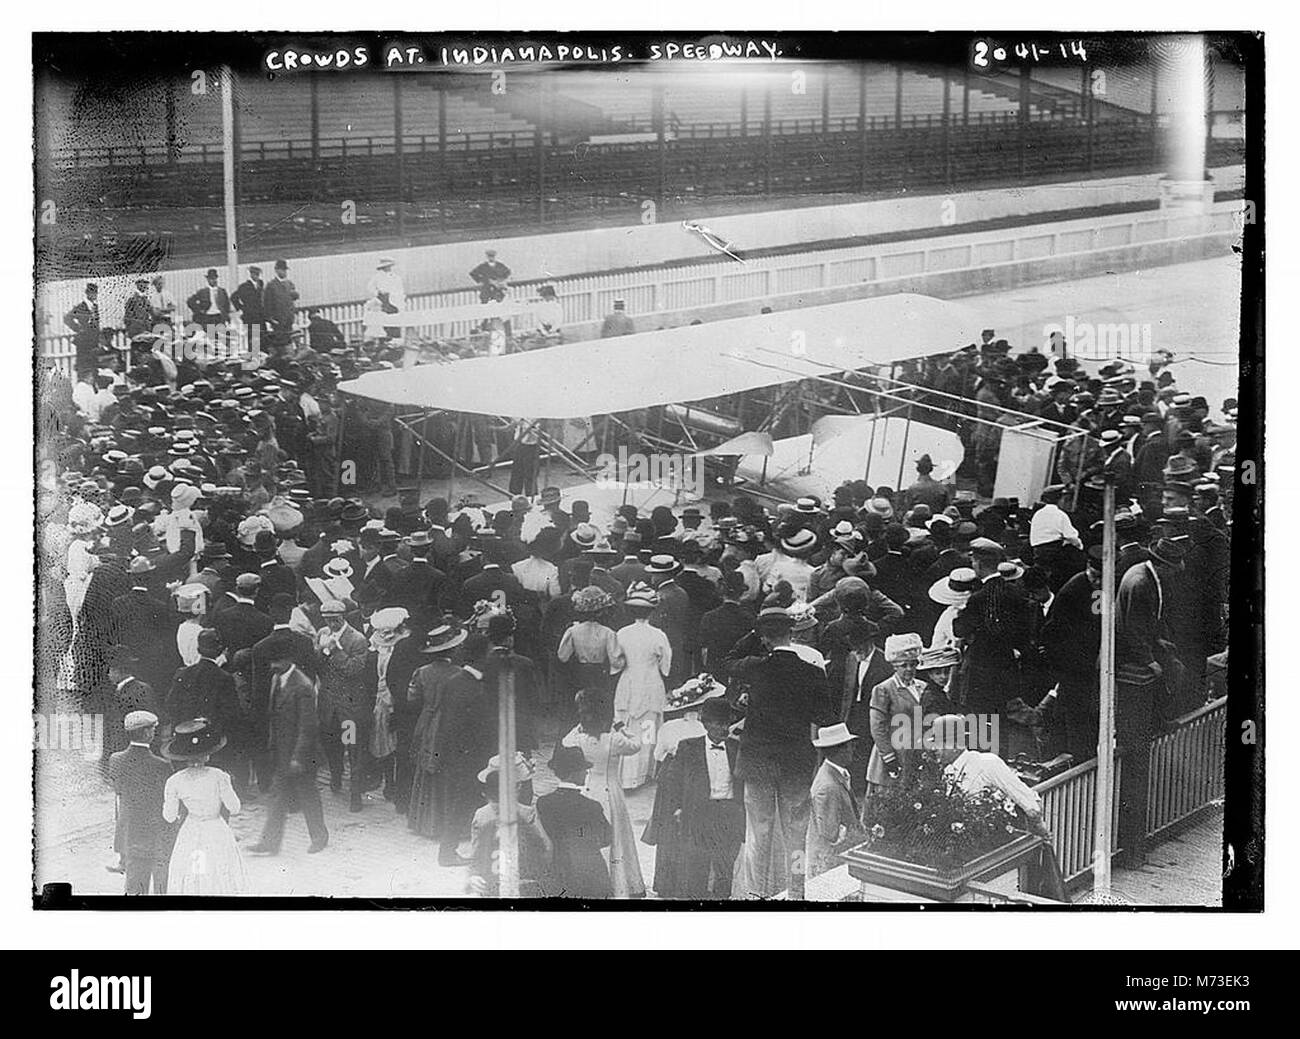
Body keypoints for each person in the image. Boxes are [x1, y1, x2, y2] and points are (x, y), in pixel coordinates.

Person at [730, 606, 837, 899]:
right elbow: (826, 717)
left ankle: (755, 893)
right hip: (796, 762)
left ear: (764, 638)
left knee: (759, 831)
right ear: (792, 633)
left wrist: (756, 633)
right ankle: (797, 892)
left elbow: (727, 660)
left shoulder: (755, 666)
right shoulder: (813, 673)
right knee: (797, 834)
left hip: (758, 762)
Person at [1115, 537, 1187, 867]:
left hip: (1139, 659)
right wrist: (1149, 660)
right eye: (1174, 568)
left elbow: (1144, 624)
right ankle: (1132, 851)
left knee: (1175, 666)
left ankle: (1160, 717)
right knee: (1137, 760)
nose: (1177, 573)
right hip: (1133, 671)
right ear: (1163, 565)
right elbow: (1132, 628)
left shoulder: (1142, 575)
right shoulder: (1142, 583)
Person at [655, 696, 745, 899]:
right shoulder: (688, 747)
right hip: (700, 812)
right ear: (706, 724)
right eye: (719, 724)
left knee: (725, 865)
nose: (725, 729)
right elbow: (673, 781)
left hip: (729, 812)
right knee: (697, 863)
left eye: (727, 723)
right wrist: (677, 808)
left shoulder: (736, 747)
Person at [560, 689, 645, 898]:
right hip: (611, 791)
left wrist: (580, 725)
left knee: (590, 838)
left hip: (588, 789)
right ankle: (620, 884)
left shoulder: (577, 739)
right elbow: (637, 744)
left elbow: (564, 741)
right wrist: (620, 726)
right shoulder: (615, 739)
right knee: (615, 836)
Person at [249, 646, 329, 855]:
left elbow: (308, 726)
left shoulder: (302, 685)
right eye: (272, 662)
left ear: (289, 659)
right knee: (277, 796)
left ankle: (319, 837)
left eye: (278, 661)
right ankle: (269, 843)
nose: (273, 666)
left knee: (307, 794)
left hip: (300, 754)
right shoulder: (278, 679)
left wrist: (297, 758)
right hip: (282, 752)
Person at [161, 718, 249, 894]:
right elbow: (235, 807)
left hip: (191, 830)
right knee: (219, 871)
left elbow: (169, 816)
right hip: (216, 829)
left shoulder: (174, 781)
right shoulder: (219, 776)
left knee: (193, 872)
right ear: (207, 754)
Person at [407, 622, 469, 837]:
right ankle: (446, 824)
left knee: (426, 769)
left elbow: (411, 698)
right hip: (451, 723)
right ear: (452, 649)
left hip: (427, 722)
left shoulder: (422, 672)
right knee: (448, 770)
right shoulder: (459, 673)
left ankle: (424, 823)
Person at [611, 583, 672, 789]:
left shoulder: (622, 633)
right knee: (648, 730)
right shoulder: (659, 635)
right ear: (651, 611)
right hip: (651, 684)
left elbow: (615, 663)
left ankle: (626, 776)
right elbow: (666, 666)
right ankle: (645, 773)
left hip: (628, 682)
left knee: (627, 726)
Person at [466, 753, 552, 897]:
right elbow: (545, 848)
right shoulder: (528, 813)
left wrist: (475, 874)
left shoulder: (481, 814)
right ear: (517, 786)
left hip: (492, 881)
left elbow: (477, 851)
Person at [107, 710, 174, 895]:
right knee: (161, 885)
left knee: (134, 886)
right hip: (156, 832)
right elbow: (166, 799)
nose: (154, 733)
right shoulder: (162, 765)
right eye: (153, 729)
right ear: (146, 733)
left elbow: (118, 790)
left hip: (130, 832)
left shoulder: (115, 759)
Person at [536, 744, 613, 898]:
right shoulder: (591, 806)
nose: (586, 772)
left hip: (559, 868)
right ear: (574, 773)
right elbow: (606, 839)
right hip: (591, 870)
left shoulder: (543, 802)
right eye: (583, 769)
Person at [864, 633, 927, 798]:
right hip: (893, 751)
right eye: (904, 665)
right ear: (895, 666)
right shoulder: (884, 689)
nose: (909, 669)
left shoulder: (922, 687)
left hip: (915, 750)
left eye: (913, 665)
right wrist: (888, 757)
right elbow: (877, 726)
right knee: (889, 797)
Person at [805, 723, 866, 882]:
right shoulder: (828, 786)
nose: (852, 750)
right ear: (839, 750)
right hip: (828, 867)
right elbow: (830, 834)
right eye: (849, 747)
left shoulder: (835, 774)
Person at [63, 282, 101, 375]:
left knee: (94, 364)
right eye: (91, 293)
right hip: (84, 341)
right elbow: (67, 318)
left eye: (95, 293)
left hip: (94, 340)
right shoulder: (81, 306)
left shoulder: (95, 306)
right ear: (87, 293)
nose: (94, 295)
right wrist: (78, 329)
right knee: (84, 365)